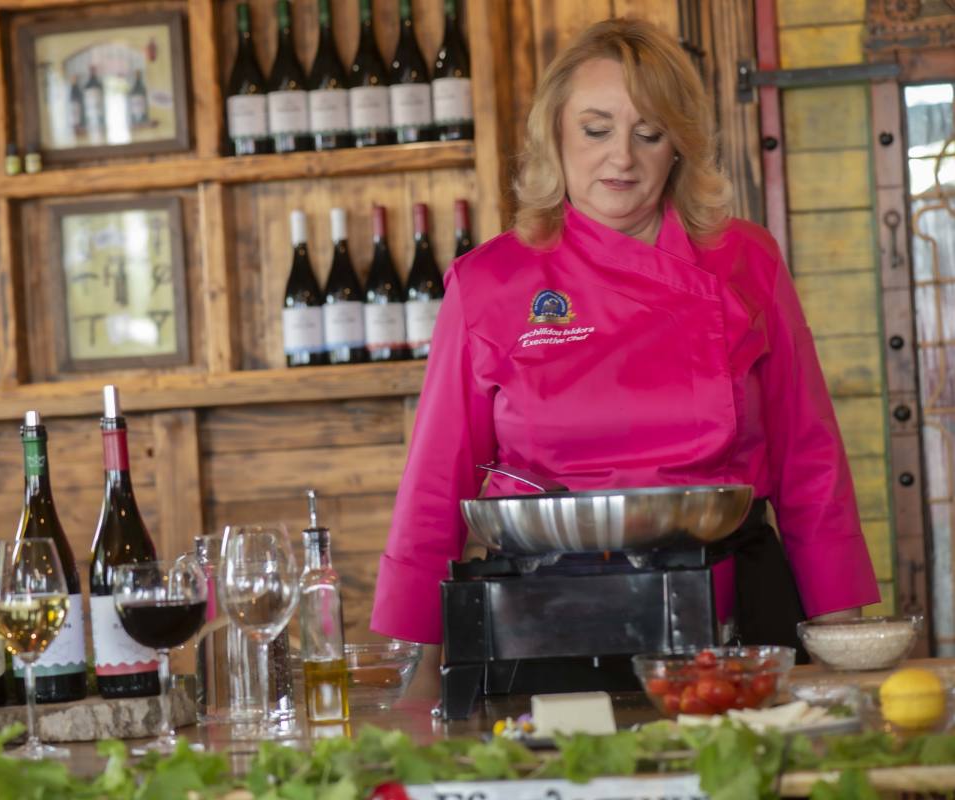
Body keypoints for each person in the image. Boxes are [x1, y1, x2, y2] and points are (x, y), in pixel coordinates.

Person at [370, 17, 880, 695]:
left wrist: (841, 634)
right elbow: (438, 476)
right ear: (554, 134)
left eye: (649, 133)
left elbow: (807, 454)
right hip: (544, 613)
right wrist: (418, 663)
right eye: (596, 129)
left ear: (680, 146)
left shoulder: (745, 259)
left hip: (730, 607)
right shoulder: (490, 281)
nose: (622, 159)